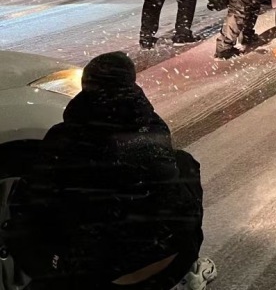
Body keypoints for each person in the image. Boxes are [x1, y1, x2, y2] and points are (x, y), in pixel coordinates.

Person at [2, 52, 216, 290]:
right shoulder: (153, 126)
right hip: (174, 260)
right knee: (184, 163)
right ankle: (185, 271)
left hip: (100, 277)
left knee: (30, 200)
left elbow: (34, 203)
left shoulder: (63, 138)